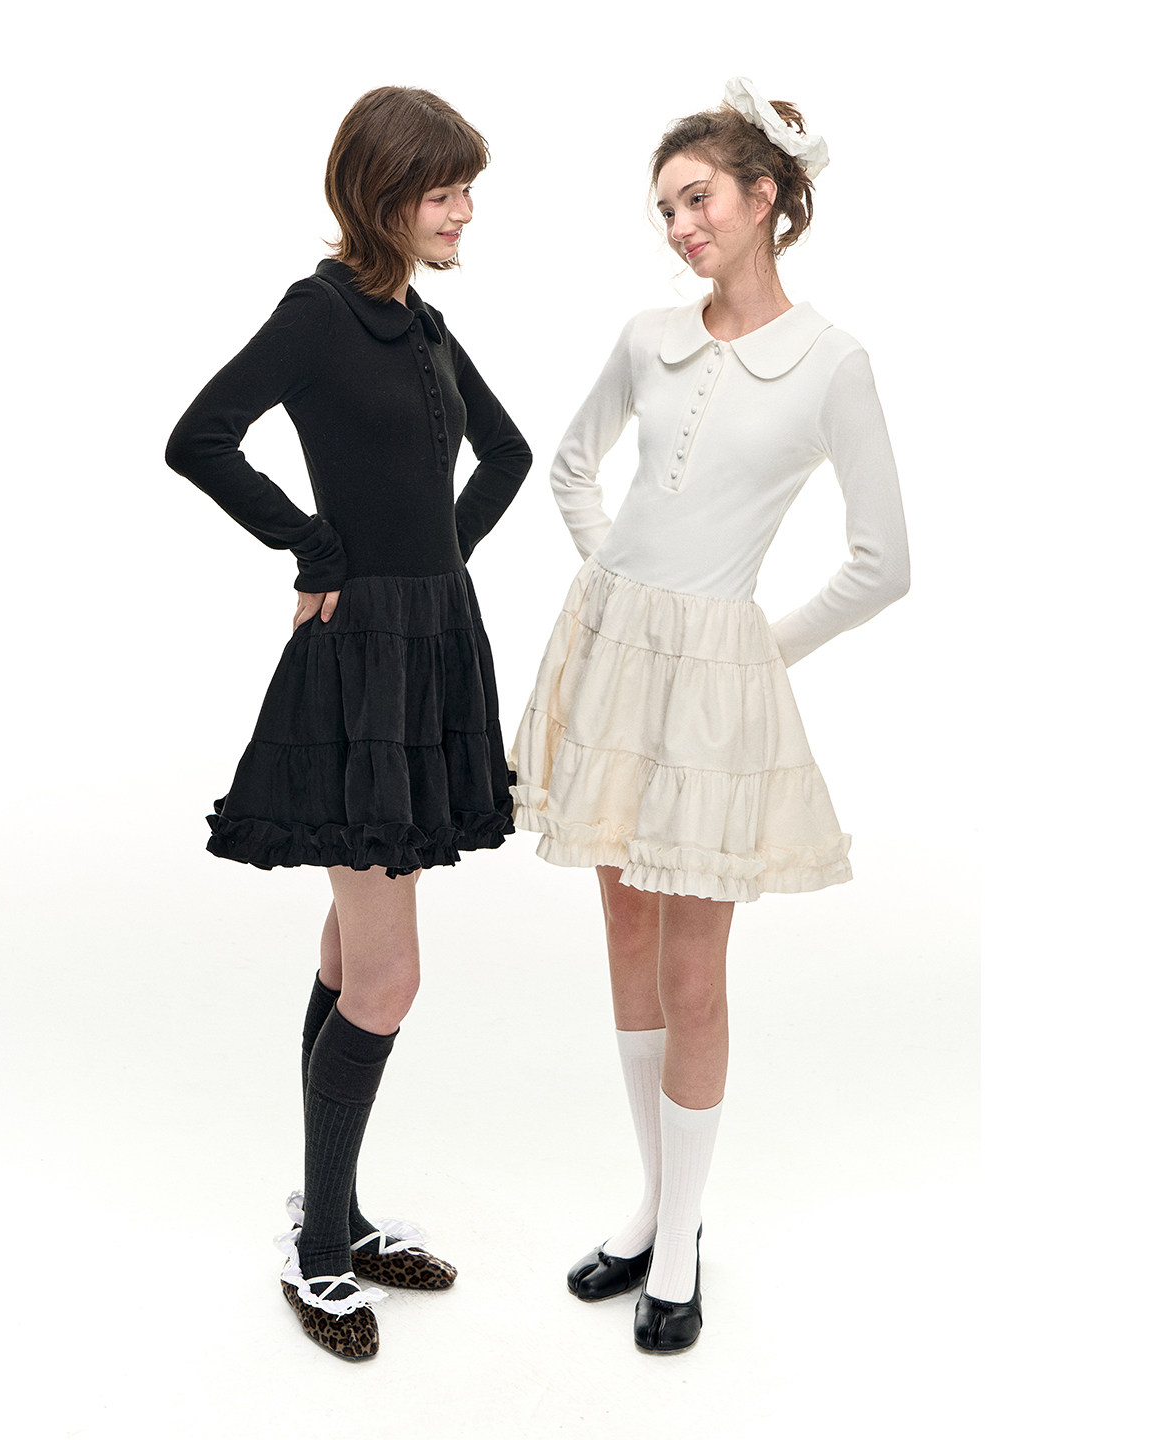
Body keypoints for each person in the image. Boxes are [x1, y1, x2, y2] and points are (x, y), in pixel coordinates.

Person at [509, 77, 909, 1354]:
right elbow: (572, 466)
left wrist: (753, 652)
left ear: (766, 197)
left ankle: (682, 1239)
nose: (680, 227)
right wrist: (618, 589)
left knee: (695, 970)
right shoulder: (647, 337)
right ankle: (650, 1205)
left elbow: (884, 563)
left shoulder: (833, 364)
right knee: (626, 935)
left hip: (713, 693)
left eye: (698, 200)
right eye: (666, 210)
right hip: (611, 662)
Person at [165, 86, 530, 1362]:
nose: (465, 211)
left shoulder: (421, 323)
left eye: (469, 190)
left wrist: (436, 564)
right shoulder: (318, 313)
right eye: (446, 191)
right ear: (383, 195)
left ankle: (337, 1215)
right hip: (359, 664)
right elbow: (200, 438)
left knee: (351, 951)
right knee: (389, 974)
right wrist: (321, 549)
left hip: (432, 647)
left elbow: (507, 455)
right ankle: (319, 1247)